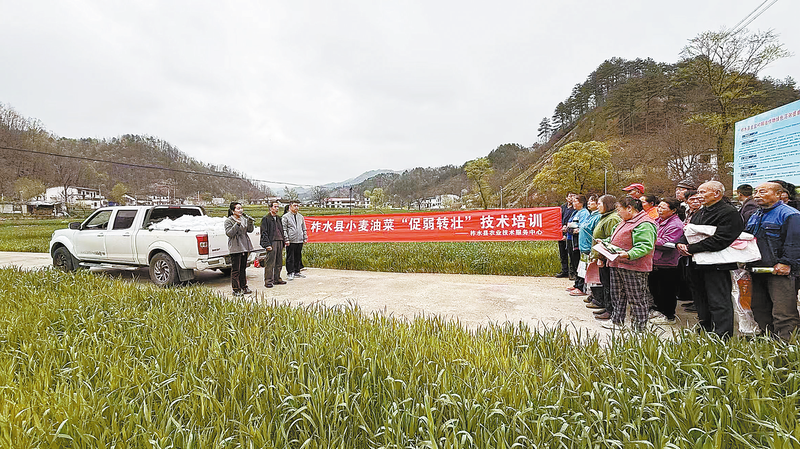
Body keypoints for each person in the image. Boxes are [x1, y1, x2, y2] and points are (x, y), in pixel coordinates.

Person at [677, 181, 744, 338]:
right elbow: (688, 231)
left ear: (717, 193)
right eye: (698, 192)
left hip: (717, 265)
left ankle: (722, 335)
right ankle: (705, 329)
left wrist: (691, 248)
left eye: (703, 192)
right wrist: (680, 243)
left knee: (718, 301)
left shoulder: (728, 212)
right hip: (696, 263)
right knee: (701, 299)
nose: (699, 196)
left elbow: (722, 239)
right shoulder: (701, 212)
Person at [744, 182, 800, 341]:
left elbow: (795, 243)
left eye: (762, 192)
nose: (757, 195)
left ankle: (787, 343)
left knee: (783, 310)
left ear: (778, 194)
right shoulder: (756, 215)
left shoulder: (790, 214)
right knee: (759, 307)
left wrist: (786, 263)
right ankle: (768, 339)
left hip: (779, 270)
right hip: (758, 269)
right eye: (755, 192)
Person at [600, 196, 657, 331]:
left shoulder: (644, 223)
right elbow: (615, 238)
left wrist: (629, 254)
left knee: (636, 297)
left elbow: (645, 245)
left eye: (619, 209)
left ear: (629, 208)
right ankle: (617, 321)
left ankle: (639, 327)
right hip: (617, 263)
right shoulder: (625, 221)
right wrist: (605, 242)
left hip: (634, 267)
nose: (618, 213)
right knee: (617, 295)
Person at [648, 198, 684, 325]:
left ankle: (669, 316)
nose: (659, 210)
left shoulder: (676, 225)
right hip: (655, 260)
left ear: (673, 210)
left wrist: (649, 240)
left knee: (667, 291)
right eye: (659, 207)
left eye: (663, 208)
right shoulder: (658, 220)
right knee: (656, 289)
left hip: (668, 263)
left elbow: (667, 243)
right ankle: (659, 311)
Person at [588, 194, 621, 320]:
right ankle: (607, 306)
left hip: (607, 256)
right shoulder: (605, 217)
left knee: (608, 283)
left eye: (600, 204)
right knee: (604, 282)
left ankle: (610, 309)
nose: (598, 206)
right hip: (601, 254)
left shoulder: (612, 219)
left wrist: (601, 257)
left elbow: (610, 240)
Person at [224, 201, 254, 296]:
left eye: (241, 208)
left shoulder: (243, 219)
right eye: (238, 208)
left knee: (243, 269)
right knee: (236, 270)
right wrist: (236, 224)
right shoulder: (229, 221)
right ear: (233, 211)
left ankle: (244, 287)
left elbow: (250, 230)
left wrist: (250, 222)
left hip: (244, 246)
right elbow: (229, 233)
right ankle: (236, 289)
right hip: (235, 247)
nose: (240, 210)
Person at [260, 201, 287, 288]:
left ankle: (277, 278)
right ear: (270, 208)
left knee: (279, 262)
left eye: (278, 207)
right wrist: (267, 244)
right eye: (275, 207)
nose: (277, 208)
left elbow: (282, 230)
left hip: (280, 241)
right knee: (270, 262)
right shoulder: (266, 219)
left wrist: (284, 241)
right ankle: (268, 280)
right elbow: (264, 233)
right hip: (272, 242)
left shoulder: (279, 218)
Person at [566, 194, 589, 295]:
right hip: (571, 240)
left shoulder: (584, 213)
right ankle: (576, 284)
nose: (573, 203)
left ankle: (581, 287)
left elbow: (581, 228)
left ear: (581, 203)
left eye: (576, 201)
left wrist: (572, 229)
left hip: (578, 242)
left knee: (580, 264)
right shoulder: (576, 212)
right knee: (575, 263)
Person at [283, 200, 308, 280]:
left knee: (298, 256)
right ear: (290, 207)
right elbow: (284, 229)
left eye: (297, 206)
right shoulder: (286, 217)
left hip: (299, 239)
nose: (296, 207)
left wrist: (305, 237)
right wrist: (286, 239)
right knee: (290, 257)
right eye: (294, 205)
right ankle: (290, 272)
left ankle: (297, 271)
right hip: (291, 240)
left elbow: (303, 228)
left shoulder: (300, 217)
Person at [556, 193, 577, 278]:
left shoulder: (575, 209)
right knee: (562, 253)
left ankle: (572, 272)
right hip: (561, 231)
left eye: (573, 196)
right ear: (566, 198)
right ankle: (564, 270)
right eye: (570, 196)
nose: (571, 198)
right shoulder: (562, 207)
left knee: (571, 253)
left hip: (570, 232)